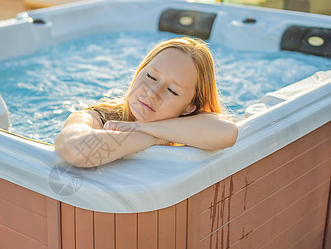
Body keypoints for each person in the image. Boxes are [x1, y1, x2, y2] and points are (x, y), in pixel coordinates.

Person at [54, 37, 238, 168]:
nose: (152, 93)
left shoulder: (196, 126)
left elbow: (228, 133)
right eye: (150, 76)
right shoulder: (100, 117)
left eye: (172, 90)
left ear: (190, 107)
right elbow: (75, 149)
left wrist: (141, 129)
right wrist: (152, 137)